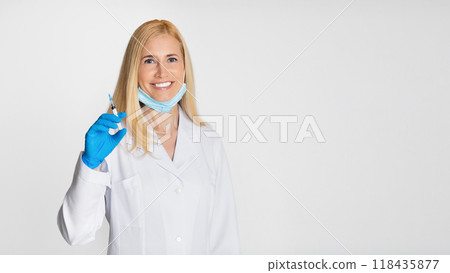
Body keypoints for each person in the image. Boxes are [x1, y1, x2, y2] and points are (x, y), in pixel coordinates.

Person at [56, 20, 241, 255]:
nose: (162, 72)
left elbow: (225, 242)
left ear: (184, 69)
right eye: (150, 61)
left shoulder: (209, 142)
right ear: (134, 70)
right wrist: (89, 166)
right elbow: (76, 233)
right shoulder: (113, 141)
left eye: (171, 59)